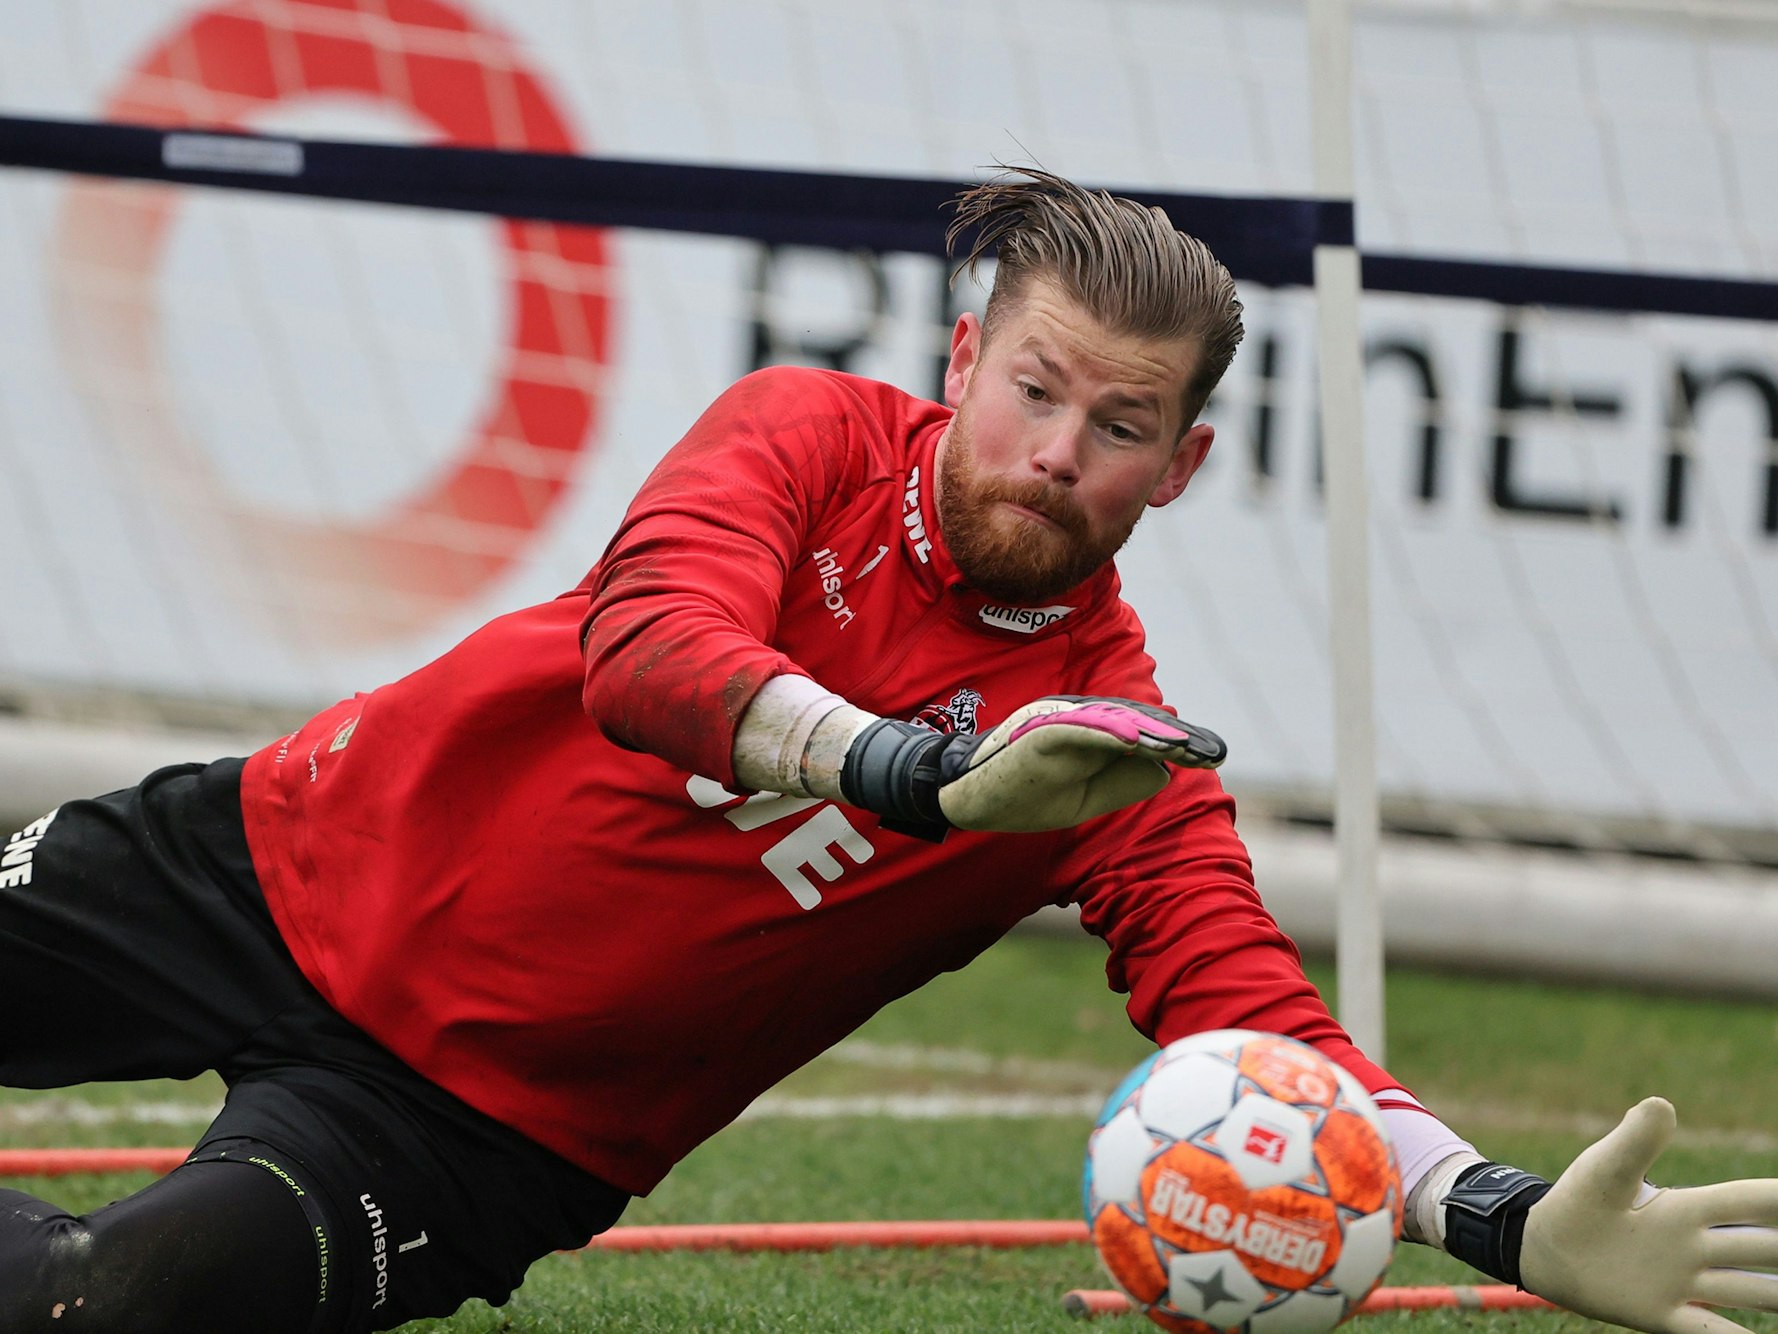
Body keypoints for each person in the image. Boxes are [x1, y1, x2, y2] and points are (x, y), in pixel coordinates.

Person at [1, 168, 1773, 1334]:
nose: (1059, 447)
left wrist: (1499, 1215)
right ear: (960, 363)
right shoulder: (802, 436)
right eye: (1035, 388)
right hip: (265, 861)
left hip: (464, 1128)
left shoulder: (1110, 752)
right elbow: (652, 651)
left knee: (111, 1303)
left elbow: (1255, 1021)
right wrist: (909, 773)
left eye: (1122, 423)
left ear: (1181, 467)